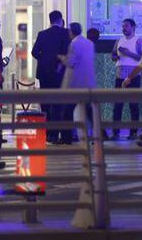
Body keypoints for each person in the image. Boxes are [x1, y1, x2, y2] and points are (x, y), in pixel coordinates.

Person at [32, 10, 71, 143]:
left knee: (45, 104)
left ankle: (48, 133)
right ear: (60, 20)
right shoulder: (65, 33)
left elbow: (34, 52)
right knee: (58, 104)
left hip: (44, 74)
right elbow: (67, 52)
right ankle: (55, 134)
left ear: (50, 20)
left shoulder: (42, 34)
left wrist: (44, 60)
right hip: (59, 74)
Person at [58, 22, 96, 145]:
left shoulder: (74, 44)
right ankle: (100, 133)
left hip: (75, 83)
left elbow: (71, 62)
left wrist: (62, 58)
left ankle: (66, 138)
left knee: (67, 111)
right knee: (90, 111)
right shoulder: (89, 43)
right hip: (88, 82)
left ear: (71, 32)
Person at [111, 18, 142, 140]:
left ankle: (134, 132)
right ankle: (115, 132)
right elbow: (113, 55)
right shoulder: (118, 40)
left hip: (133, 76)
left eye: (126, 26)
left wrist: (127, 53)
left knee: (133, 105)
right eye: (123, 26)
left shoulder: (139, 40)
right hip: (119, 75)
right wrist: (115, 56)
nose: (124, 28)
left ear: (133, 27)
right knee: (117, 105)